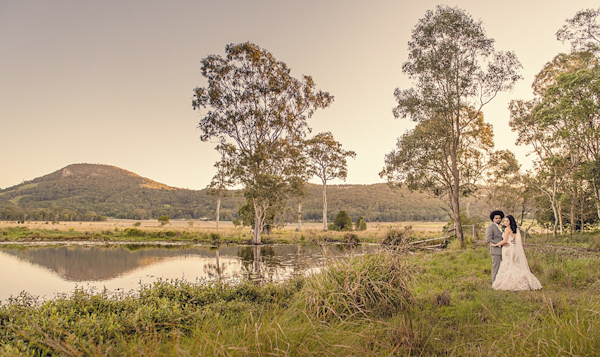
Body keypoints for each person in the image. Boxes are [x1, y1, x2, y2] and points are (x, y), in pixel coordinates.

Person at [491, 215, 542, 291]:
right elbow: (515, 240)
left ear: (510, 222)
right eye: (504, 221)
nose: (505, 222)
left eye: (507, 221)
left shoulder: (507, 229)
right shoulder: (514, 229)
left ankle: (508, 282)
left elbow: (504, 241)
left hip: (507, 249)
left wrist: (495, 244)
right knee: (514, 264)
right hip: (513, 248)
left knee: (507, 264)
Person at [486, 210, 504, 283]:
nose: (498, 219)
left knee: (503, 267)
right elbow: (489, 239)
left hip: (504, 250)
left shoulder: (503, 226)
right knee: (495, 267)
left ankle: (501, 282)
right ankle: (494, 282)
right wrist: (500, 243)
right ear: (493, 219)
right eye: (496, 218)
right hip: (495, 250)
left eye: (499, 218)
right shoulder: (490, 227)